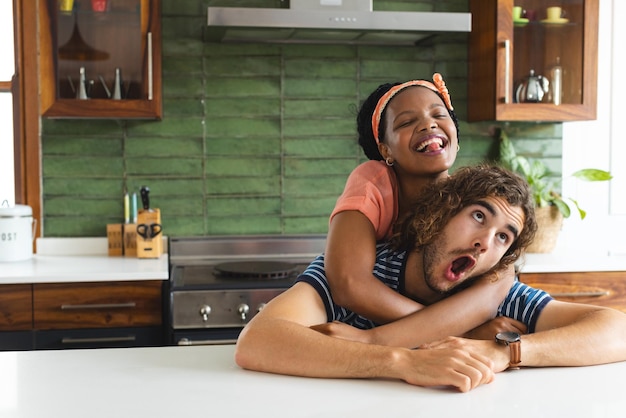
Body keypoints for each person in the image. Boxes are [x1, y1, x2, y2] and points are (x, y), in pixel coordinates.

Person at [235, 165, 626, 392]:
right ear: (442, 212)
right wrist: (402, 361)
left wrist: (502, 352)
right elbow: (258, 341)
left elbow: (616, 329)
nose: (484, 243)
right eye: (478, 216)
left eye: (503, 237)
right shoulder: (368, 267)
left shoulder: (487, 290)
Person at [324, 74, 516, 342]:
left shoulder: (472, 202)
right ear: (385, 150)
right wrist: (461, 330)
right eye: (406, 121)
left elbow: (495, 287)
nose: (428, 124)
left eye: (439, 115)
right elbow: (348, 285)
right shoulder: (373, 181)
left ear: (456, 139)